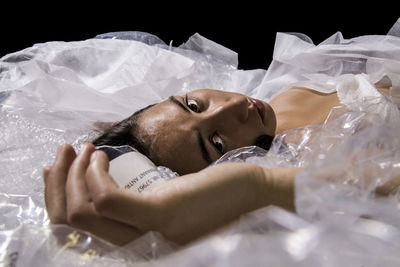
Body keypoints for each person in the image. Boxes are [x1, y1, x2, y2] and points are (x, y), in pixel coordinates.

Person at [43, 83, 395, 246]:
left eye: (193, 104)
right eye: (216, 143)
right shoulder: (323, 153)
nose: (233, 106)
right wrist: (257, 188)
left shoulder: (273, 102)